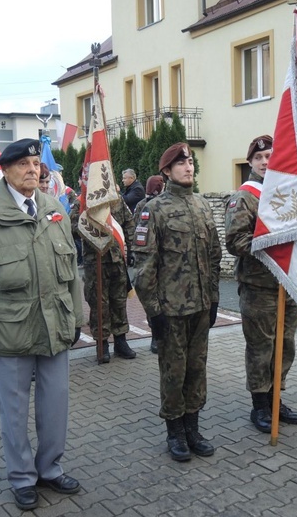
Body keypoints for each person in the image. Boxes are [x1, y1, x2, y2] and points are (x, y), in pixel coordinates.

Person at [0, 138, 83, 511]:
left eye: (36, 163)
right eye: (25, 164)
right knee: (13, 410)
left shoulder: (51, 206)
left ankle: (50, 468)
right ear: (6, 170)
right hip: (9, 329)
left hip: (54, 326)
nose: (34, 170)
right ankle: (22, 477)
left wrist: (77, 317)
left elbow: (71, 270)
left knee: (55, 404)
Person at [132, 142, 222, 462]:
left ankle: (193, 427)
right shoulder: (152, 210)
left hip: (200, 305)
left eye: (190, 162)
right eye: (181, 163)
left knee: (197, 369)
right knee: (174, 371)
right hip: (171, 309)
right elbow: (143, 266)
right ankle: (175, 431)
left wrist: (213, 299)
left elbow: (214, 257)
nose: (188, 167)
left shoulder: (202, 205)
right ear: (167, 171)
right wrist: (153, 312)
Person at [224, 135, 297, 433]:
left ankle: (276, 399)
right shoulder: (245, 197)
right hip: (258, 287)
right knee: (261, 347)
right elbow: (235, 241)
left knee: (285, 346)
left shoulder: (286, 192)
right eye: (259, 158)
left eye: (270, 155)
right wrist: (273, 245)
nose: (265, 161)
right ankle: (260, 405)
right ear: (251, 163)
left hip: (288, 283)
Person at [81, 187, 136, 363]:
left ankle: (121, 342)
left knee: (119, 301)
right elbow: (75, 225)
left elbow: (129, 223)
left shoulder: (117, 199)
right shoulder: (84, 199)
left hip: (117, 259)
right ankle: (102, 344)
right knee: (99, 303)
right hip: (95, 260)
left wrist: (132, 248)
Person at [131, 174, 165, 354]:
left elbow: (135, 229)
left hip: (145, 255)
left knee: (152, 296)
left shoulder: (140, 205)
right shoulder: (156, 206)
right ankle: (156, 338)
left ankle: (156, 337)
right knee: (155, 296)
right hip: (155, 258)